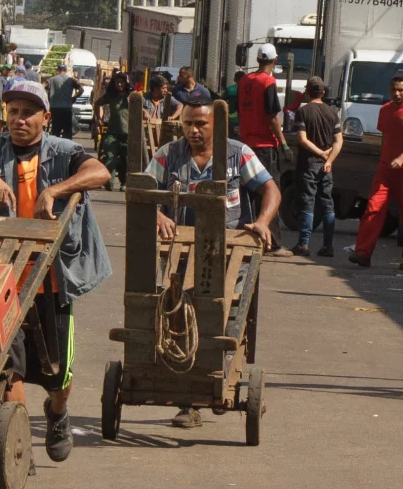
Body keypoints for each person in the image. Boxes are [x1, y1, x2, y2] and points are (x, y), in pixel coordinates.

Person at [0, 79, 113, 461]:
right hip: (7, 279)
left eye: (28, 112)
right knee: (7, 366)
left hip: (53, 278)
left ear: (46, 117)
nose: (19, 119)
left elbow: (100, 173)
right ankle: (19, 441)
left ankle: (58, 413)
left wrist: (55, 190)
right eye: (13, 111)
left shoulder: (64, 151)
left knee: (57, 376)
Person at [141, 98, 282, 426]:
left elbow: (271, 189)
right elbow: (142, 193)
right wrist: (157, 213)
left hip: (231, 254)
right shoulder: (168, 155)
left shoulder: (239, 154)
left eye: (200, 124)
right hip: (180, 253)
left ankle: (221, 381)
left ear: (217, 125)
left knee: (223, 320)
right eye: (188, 123)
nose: (192, 130)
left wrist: (262, 222)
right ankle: (189, 402)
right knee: (180, 320)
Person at [348, 74, 403, 270]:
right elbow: (386, 137)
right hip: (386, 169)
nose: (397, 93)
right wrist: (385, 159)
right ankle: (363, 253)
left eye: (401, 90)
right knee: (373, 208)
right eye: (394, 89)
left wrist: (402, 158)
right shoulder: (385, 110)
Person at [235, 46, 287, 248]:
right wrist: (282, 142)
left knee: (247, 193)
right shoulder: (268, 82)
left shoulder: (245, 80)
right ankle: (271, 242)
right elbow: (272, 116)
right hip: (265, 145)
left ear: (257, 59)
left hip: (246, 145)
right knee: (270, 192)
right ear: (275, 61)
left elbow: (240, 111)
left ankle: (246, 235)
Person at [288, 78, 343, 257]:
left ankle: (303, 245)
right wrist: (329, 161)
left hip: (308, 164)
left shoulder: (303, 112)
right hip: (326, 167)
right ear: (323, 93)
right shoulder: (332, 113)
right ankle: (328, 246)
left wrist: (320, 154)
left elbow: (302, 140)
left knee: (308, 203)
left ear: (307, 91)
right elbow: (339, 141)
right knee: (327, 204)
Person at [47, 63, 82, 139]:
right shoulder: (71, 80)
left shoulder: (52, 79)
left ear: (58, 70)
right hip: (67, 108)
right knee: (67, 131)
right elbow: (81, 90)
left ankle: (55, 147)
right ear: (66, 71)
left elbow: (43, 86)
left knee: (55, 131)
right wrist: (74, 97)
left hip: (55, 109)